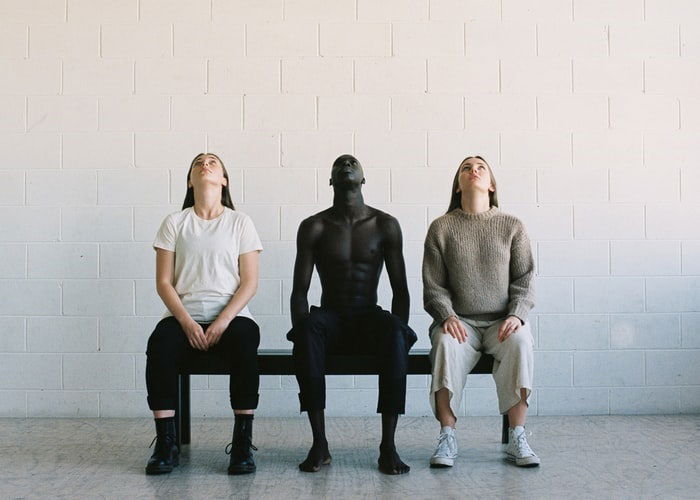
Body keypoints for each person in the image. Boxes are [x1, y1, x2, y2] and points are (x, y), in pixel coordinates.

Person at [287, 154, 417, 475]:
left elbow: (400, 290)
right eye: (339, 164)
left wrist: (401, 332)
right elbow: (299, 292)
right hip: (330, 317)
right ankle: (320, 443)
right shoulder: (314, 226)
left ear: (363, 179)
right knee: (306, 330)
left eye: (353, 163)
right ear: (331, 180)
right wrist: (302, 335)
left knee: (395, 332)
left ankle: (388, 446)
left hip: (367, 317)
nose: (346, 166)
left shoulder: (385, 225)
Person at [145, 153, 263, 475]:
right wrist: (186, 322)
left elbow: (250, 282)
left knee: (244, 340)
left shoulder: (240, 223)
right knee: (159, 344)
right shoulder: (174, 223)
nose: (205, 164)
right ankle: (166, 444)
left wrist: (223, 320)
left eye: (213, 162)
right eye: (198, 162)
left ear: (224, 180)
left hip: (233, 316)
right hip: (184, 316)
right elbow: (163, 283)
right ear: (189, 180)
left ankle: (241, 444)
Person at [423, 155, 539, 468]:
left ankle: (517, 435)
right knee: (445, 344)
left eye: (480, 168)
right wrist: (446, 315)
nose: (473, 170)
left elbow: (525, 279)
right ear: (458, 186)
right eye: (465, 168)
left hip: (503, 322)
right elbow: (433, 286)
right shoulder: (441, 228)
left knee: (522, 343)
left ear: (491, 184)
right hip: (459, 323)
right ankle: (447, 435)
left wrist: (516, 314)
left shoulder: (511, 226)